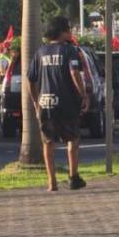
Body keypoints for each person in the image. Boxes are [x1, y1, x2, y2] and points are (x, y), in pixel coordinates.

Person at [28, 16, 88, 192]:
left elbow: (30, 80)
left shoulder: (41, 52)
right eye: (68, 29)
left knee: (48, 142)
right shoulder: (69, 50)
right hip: (67, 103)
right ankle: (73, 177)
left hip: (46, 103)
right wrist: (83, 95)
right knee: (73, 140)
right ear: (62, 31)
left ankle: (51, 182)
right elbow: (74, 72)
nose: (70, 32)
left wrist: (36, 102)